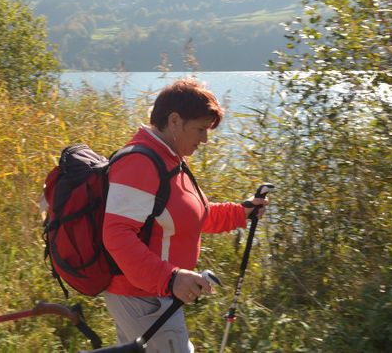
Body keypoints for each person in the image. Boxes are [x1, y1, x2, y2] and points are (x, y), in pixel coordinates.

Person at [102, 78, 268, 353]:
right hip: (143, 298)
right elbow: (116, 235)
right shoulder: (140, 162)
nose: (205, 139)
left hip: (158, 295)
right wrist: (171, 278)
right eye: (200, 129)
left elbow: (194, 217)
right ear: (174, 120)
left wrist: (241, 212)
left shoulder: (171, 159)